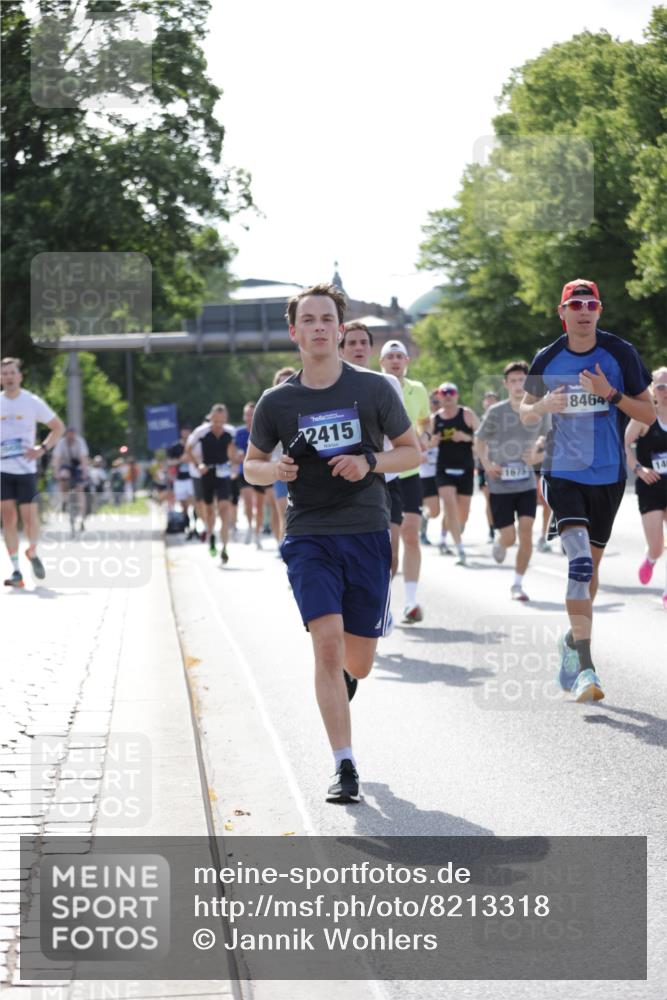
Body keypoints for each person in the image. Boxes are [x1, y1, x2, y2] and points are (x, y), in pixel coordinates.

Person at [244, 283, 419, 804]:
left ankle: (348, 674)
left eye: (327, 319)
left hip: (366, 530)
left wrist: (370, 461)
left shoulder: (374, 389)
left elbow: (411, 453)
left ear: (340, 331)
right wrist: (274, 468)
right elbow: (251, 468)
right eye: (309, 319)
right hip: (309, 533)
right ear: (294, 330)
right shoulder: (278, 401)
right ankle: (344, 766)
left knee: (358, 661)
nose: (318, 327)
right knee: (325, 641)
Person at [520, 278, 653, 702]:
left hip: (609, 474)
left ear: (599, 311)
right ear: (562, 313)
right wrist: (543, 406)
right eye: (574, 304)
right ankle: (586, 668)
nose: (583, 310)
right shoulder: (548, 357)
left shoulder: (620, 354)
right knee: (579, 565)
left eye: (590, 303)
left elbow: (647, 412)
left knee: (590, 574)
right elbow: (524, 414)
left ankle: (572, 642)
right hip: (562, 470)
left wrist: (609, 393)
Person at [476, 362, 549, 601]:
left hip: (526, 483)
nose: (518, 385)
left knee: (526, 532)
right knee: (510, 538)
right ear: (506, 384)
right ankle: (501, 541)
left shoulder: (539, 410)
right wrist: (487, 465)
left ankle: (517, 584)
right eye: (514, 381)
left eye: (522, 380)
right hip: (500, 484)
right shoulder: (496, 411)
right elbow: (479, 441)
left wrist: (538, 456)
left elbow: (552, 439)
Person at [339, 322, 404, 577]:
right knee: (353, 554)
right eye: (351, 343)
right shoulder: (331, 385)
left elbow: (398, 431)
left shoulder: (387, 382)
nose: (358, 348)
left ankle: (383, 612)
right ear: (341, 349)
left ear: (370, 349)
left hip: (386, 477)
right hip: (348, 481)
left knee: (390, 550)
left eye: (363, 343)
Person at [1, 357, 65, 586]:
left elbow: (58, 427)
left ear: (20, 376)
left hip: (26, 469)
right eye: (4, 373)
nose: (8, 377)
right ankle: (16, 570)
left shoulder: (31, 401)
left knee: (29, 519)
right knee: (8, 518)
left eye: (11, 373)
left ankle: (33, 551)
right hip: (3, 470)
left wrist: (42, 449)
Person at [379, 340, 430, 621]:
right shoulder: (377, 385)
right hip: (385, 471)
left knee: (411, 534)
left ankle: (410, 601)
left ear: (407, 361)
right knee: (387, 543)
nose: (396, 361)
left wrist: (424, 442)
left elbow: (425, 423)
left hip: (410, 473)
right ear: (382, 362)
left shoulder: (418, 389)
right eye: (390, 357)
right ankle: (382, 601)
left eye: (400, 357)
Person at [624, 365, 667, 610]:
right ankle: (651, 558)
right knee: (657, 545)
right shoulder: (644, 416)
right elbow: (625, 444)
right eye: (661, 386)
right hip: (651, 486)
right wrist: (639, 469)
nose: (665, 391)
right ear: (653, 390)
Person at [430, 382, 479, 563]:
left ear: (457, 395)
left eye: (451, 392)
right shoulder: (435, 419)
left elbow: (484, 438)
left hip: (465, 469)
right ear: (439, 397)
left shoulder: (466, 414)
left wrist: (466, 437)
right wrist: (432, 442)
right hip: (444, 470)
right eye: (444, 392)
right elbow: (426, 442)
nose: (448, 395)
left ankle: (443, 536)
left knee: (462, 514)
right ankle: (460, 550)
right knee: (450, 506)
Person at [185, 405, 237, 564]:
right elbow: (188, 449)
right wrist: (198, 464)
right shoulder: (201, 432)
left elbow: (232, 452)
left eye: (221, 421)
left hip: (223, 473)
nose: (218, 425)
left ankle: (225, 548)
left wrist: (234, 467)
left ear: (225, 419)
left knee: (224, 509)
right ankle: (211, 535)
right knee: (209, 512)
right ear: (210, 418)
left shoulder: (230, 432)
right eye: (215, 421)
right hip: (207, 474)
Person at [269, 368, 297, 544]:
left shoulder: (308, 407)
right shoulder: (269, 410)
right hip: (280, 470)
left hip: (305, 469)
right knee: (283, 511)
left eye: (289, 381)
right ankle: (284, 545)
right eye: (281, 382)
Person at [235, 403, 266, 549]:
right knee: (247, 502)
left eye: (252, 414)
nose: (249, 417)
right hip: (244, 471)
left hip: (259, 471)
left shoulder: (263, 430)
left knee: (259, 507)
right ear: (243, 416)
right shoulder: (239, 432)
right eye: (247, 414)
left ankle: (257, 534)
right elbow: (232, 451)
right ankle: (249, 526)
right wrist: (238, 455)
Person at [52, 426, 90, 532]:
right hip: (66, 466)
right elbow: (56, 459)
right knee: (64, 475)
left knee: (80, 490)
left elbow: (83, 458)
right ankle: (64, 499)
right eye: (69, 433)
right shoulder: (61, 443)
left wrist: (84, 472)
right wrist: (56, 473)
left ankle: (82, 518)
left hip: (77, 466)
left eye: (73, 434)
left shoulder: (80, 442)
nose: (71, 436)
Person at [419, 392, 442, 546]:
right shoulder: (422, 424)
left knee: (435, 511)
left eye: (438, 402)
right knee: (432, 510)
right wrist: (430, 445)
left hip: (441, 472)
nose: (436, 405)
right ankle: (422, 531)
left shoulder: (444, 422)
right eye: (433, 402)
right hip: (424, 473)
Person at [167, 427, 197, 539]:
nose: (186, 433)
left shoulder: (194, 444)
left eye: (188, 431)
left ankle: (195, 528)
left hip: (192, 478)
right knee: (184, 506)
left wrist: (190, 459)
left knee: (194, 504)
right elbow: (170, 462)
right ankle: (187, 527)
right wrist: (181, 460)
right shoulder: (175, 447)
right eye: (184, 431)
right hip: (180, 479)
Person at [477, 390, 499, 543]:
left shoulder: (506, 420)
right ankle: (492, 531)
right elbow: (475, 444)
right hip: (484, 465)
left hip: (502, 464)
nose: (490, 402)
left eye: (493, 399)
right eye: (488, 399)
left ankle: (504, 527)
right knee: (490, 499)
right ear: (484, 404)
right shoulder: (480, 421)